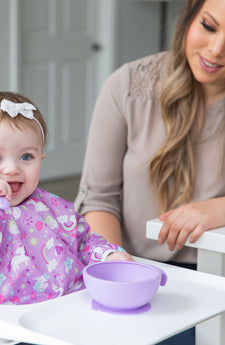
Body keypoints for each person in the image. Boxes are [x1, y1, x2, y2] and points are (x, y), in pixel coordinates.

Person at [75, 0, 225, 343]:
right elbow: (99, 198)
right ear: (190, 13)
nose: (216, 50)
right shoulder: (127, 86)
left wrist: (218, 208)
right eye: (209, 26)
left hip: (211, 281)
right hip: (123, 266)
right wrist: (116, 274)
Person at [0, 91, 131, 306]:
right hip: (10, 320)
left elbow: (83, 242)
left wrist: (108, 256)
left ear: (40, 159)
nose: (12, 169)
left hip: (73, 305)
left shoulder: (53, 207)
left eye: (26, 156)